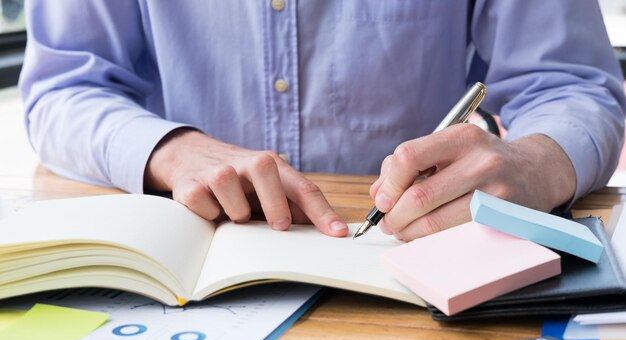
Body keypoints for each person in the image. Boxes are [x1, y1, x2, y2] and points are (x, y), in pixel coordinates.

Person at [19, 1, 625, 241]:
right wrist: (172, 150)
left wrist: (536, 163)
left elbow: (571, 83)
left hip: (424, 256)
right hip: (184, 250)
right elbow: (64, 88)